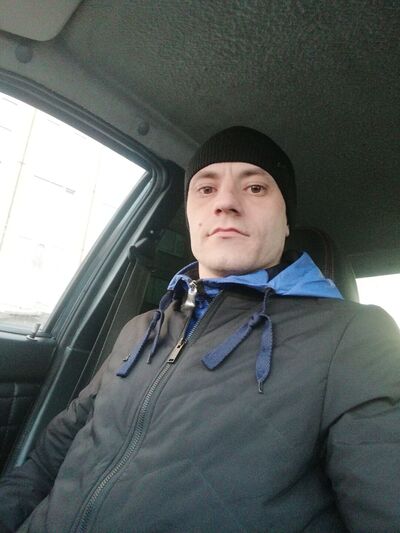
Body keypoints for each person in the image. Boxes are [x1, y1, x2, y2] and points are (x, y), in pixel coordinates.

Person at [0, 126, 399, 532]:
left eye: (256, 188)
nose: (225, 202)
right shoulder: (141, 329)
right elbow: (46, 463)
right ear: (190, 215)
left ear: (285, 222)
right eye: (206, 189)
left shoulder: (355, 337)